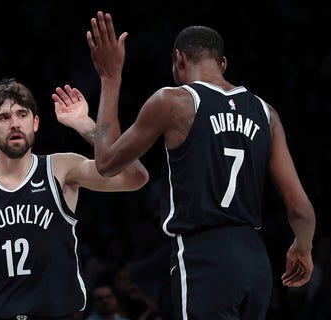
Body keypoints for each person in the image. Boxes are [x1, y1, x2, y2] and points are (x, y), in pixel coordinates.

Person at [85, 11, 316, 319]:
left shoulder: (175, 101)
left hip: (204, 256)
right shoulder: (267, 113)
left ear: (179, 60)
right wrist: (303, 248)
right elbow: (301, 209)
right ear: (223, 64)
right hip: (255, 262)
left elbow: (107, 162)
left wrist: (110, 78)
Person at [0, 78, 149, 320]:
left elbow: (134, 177)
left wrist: (84, 124)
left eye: (22, 114)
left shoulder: (62, 169)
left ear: (35, 123)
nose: (15, 123)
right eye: (4, 117)